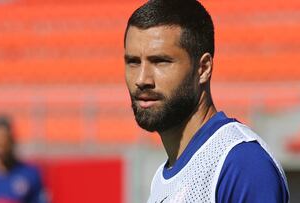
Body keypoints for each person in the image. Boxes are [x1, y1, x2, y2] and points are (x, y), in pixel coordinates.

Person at [123, 0, 289, 202]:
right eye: (133, 62)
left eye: (160, 61)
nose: (142, 80)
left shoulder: (241, 163)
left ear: (203, 69)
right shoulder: (161, 178)